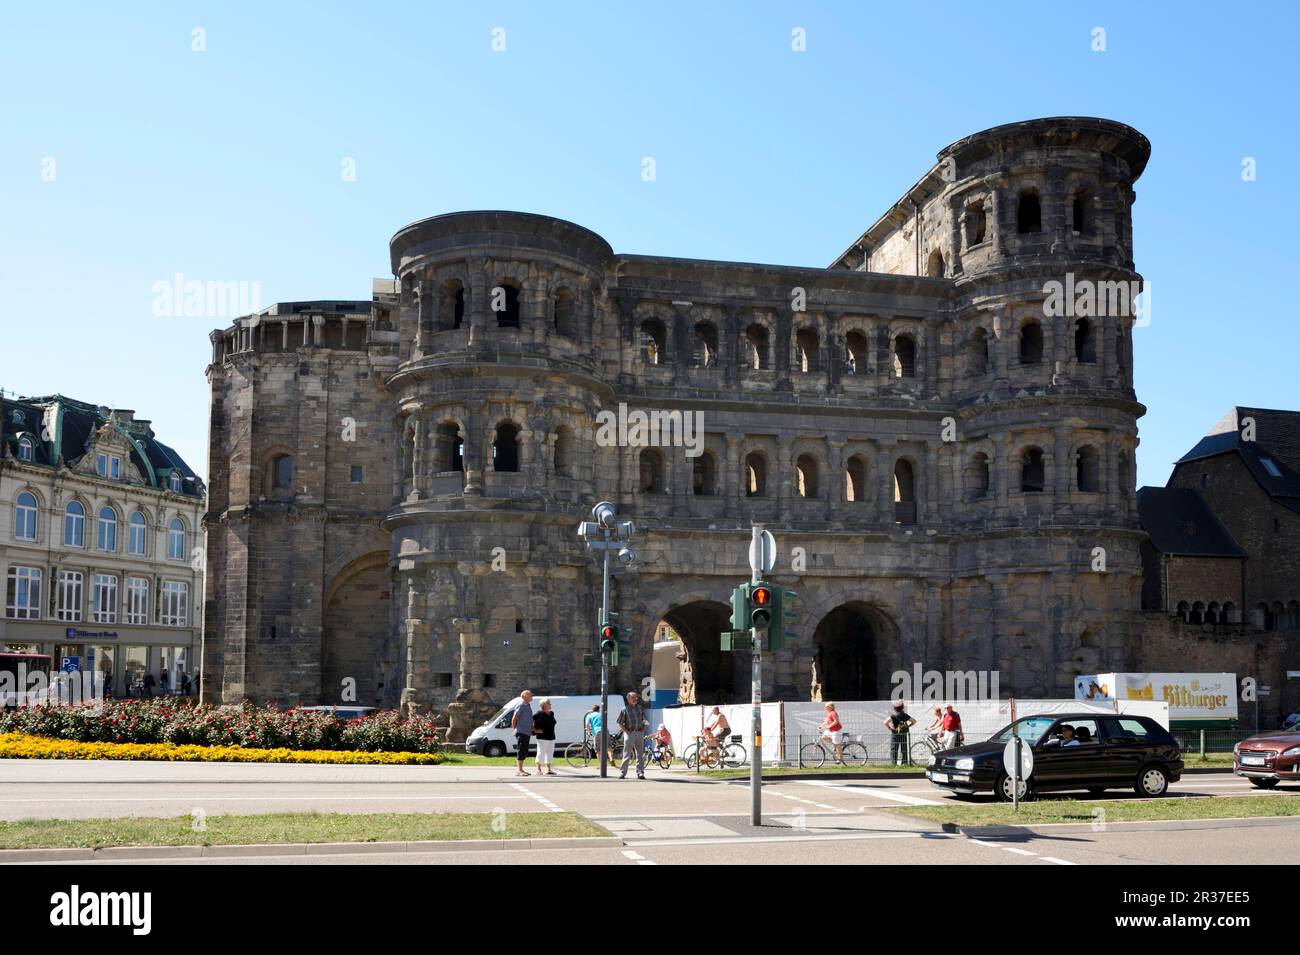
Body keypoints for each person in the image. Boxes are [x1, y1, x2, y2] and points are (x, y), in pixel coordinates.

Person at [617, 691, 649, 779]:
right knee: (627, 753)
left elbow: (645, 720)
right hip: (630, 732)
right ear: (628, 699)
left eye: (636, 698)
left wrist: (643, 729)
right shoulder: (624, 709)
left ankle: (640, 773)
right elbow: (620, 723)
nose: (635, 699)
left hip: (639, 732)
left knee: (640, 754)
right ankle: (622, 773)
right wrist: (627, 732)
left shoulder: (640, 708)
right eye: (633, 698)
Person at [883, 701, 915, 766]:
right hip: (904, 734)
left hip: (895, 734)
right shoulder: (905, 715)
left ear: (895, 709)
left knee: (894, 749)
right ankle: (905, 763)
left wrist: (890, 728)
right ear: (902, 708)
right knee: (904, 749)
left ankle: (894, 764)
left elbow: (885, 722)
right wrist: (908, 726)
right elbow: (914, 721)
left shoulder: (893, 716)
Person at [511, 689, 535, 776]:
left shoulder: (527, 705)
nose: (532, 696)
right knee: (521, 750)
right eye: (530, 695)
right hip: (521, 731)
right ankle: (519, 770)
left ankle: (521, 769)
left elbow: (529, 719)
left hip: (527, 732)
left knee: (524, 751)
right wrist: (514, 729)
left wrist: (532, 728)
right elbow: (514, 718)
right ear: (524, 696)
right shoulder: (521, 705)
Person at [532, 698, 558, 776]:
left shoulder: (552, 713)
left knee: (550, 753)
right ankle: (538, 770)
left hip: (551, 737)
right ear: (544, 705)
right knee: (541, 753)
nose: (550, 705)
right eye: (549, 703)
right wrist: (535, 730)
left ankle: (549, 769)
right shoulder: (538, 714)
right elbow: (530, 721)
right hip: (542, 737)